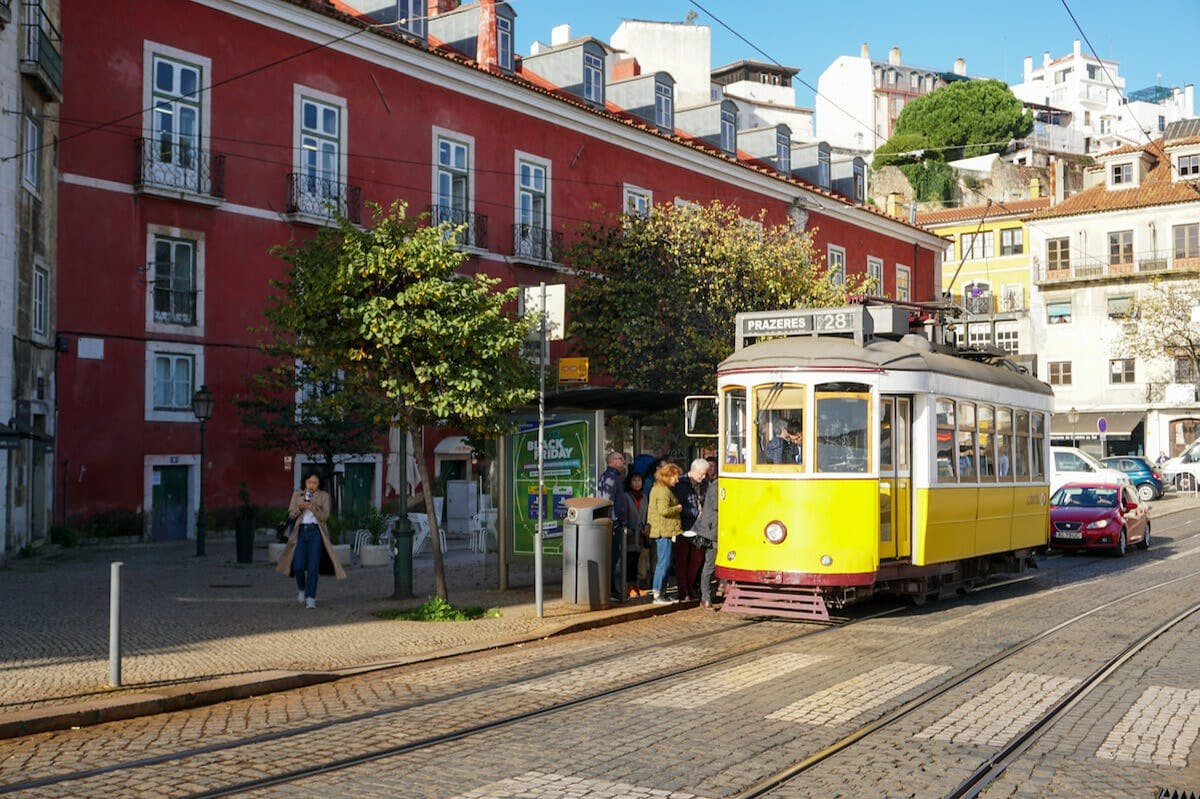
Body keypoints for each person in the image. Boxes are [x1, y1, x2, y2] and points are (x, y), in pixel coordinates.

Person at [276, 473, 346, 608]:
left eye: (315, 483)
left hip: (316, 532)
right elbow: (291, 514)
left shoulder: (324, 496)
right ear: (305, 482)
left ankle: (310, 597)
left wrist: (313, 507)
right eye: (309, 482)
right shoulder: (297, 495)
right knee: (298, 566)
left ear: (319, 484)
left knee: (313, 567)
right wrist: (300, 508)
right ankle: (301, 588)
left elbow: (325, 516)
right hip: (300, 532)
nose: (311, 485)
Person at [671, 458, 709, 602]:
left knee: (696, 560)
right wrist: (695, 512)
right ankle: (683, 590)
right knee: (682, 560)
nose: (703, 477)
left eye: (705, 474)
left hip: (700, 528)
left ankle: (691, 586)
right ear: (694, 471)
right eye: (701, 474)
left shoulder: (704, 484)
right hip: (684, 526)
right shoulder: (680, 483)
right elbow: (677, 506)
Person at [647, 462, 683, 604]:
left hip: (663, 530)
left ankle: (661, 592)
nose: (677, 480)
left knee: (664, 562)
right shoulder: (663, 491)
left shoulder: (659, 489)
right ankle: (657, 593)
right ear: (668, 476)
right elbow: (663, 511)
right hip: (664, 530)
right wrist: (677, 508)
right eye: (675, 477)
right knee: (664, 563)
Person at [597, 451, 628, 601]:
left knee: (613, 558)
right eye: (620, 459)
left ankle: (611, 589)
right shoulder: (610, 478)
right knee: (611, 558)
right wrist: (617, 521)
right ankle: (609, 591)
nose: (624, 461)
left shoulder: (614, 477)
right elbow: (608, 502)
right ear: (612, 461)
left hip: (613, 524)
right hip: (613, 525)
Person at [693, 461, 720, 611]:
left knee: (710, 564)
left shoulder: (714, 484)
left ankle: (707, 596)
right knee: (710, 564)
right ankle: (705, 597)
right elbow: (717, 506)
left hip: (714, 529)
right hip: (713, 531)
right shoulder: (717, 485)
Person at [623, 472, 648, 596]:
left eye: (639, 480)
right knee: (629, 561)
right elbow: (624, 514)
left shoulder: (644, 497)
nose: (637, 483)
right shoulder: (626, 497)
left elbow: (646, 514)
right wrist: (627, 528)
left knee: (637, 561)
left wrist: (646, 527)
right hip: (630, 534)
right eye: (634, 480)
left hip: (641, 534)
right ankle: (628, 587)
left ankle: (635, 586)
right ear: (630, 483)